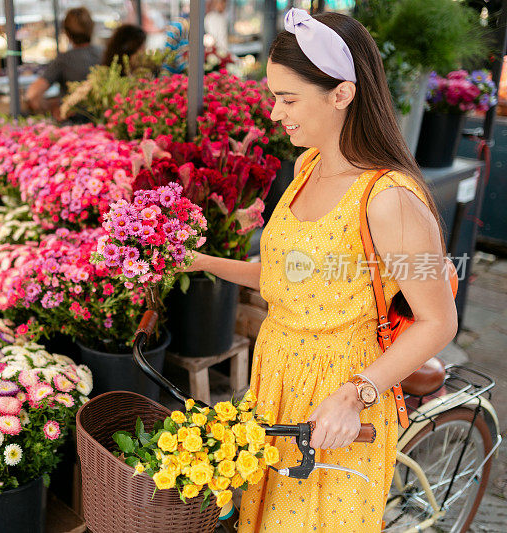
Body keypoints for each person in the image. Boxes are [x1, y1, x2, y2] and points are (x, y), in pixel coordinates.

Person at [186, 9, 458, 531]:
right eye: (273, 96)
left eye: (288, 99)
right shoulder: (307, 166)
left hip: (338, 405)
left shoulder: (390, 200)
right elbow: (284, 275)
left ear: (341, 94)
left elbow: (438, 321)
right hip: (278, 379)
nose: (273, 113)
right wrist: (194, 261)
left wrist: (354, 395)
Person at [25, 7, 101, 113]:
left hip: (73, 125)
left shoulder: (64, 60)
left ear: (67, 33)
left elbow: (32, 94)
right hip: (105, 123)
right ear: (92, 28)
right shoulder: (105, 53)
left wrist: (50, 108)